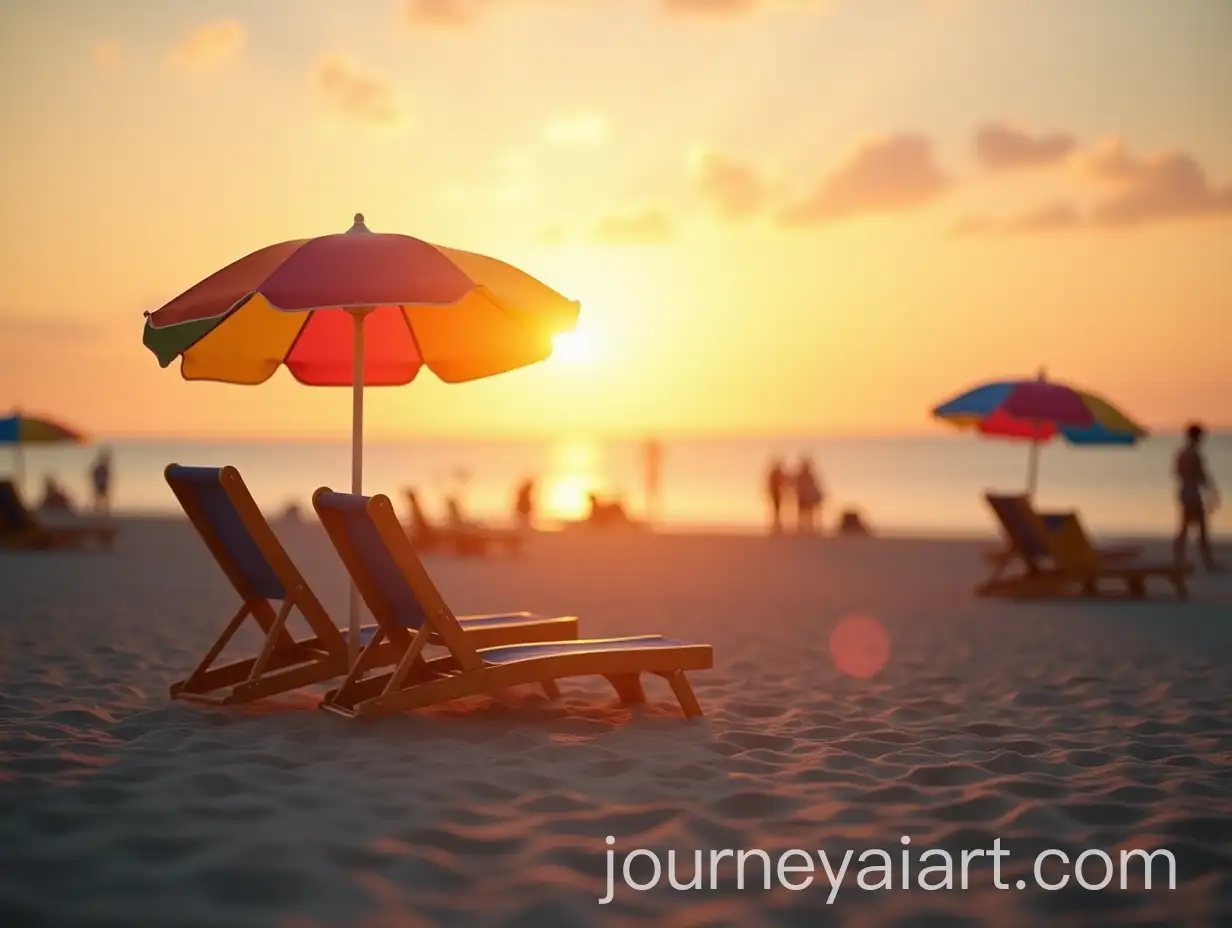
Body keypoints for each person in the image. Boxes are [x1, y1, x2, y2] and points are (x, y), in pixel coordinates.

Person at [1173, 422, 1220, 571]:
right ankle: (1207, 561)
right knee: (1201, 528)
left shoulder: (1181, 453)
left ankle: (1179, 558)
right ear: (1197, 437)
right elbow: (1201, 475)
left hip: (1184, 492)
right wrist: (1212, 490)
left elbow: (1177, 473)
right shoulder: (1194, 454)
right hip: (1193, 493)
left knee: (1184, 526)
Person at [795, 456, 824, 534]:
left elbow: (814, 486)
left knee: (807, 513)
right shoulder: (802, 475)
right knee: (803, 513)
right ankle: (802, 528)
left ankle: (807, 527)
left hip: (807, 497)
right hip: (803, 497)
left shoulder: (807, 475)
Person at [765, 458, 788, 533]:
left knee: (777, 509)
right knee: (776, 509)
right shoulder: (776, 473)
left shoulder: (776, 473)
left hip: (776, 493)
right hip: (776, 493)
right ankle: (777, 524)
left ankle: (777, 524)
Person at [89, 448, 113, 516]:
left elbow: (105, 478)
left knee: (102, 498)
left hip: (101, 484)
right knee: (101, 498)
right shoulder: (101, 469)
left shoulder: (103, 469)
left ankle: (102, 510)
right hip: (100, 485)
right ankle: (99, 510)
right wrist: (98, 483)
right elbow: (96, 476)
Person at [643, 438, 662, 521]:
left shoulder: (653, 456)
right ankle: (652, 513)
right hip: (651, 477)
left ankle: (655, 514)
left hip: (653, 477)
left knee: (654, 493)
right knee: (652, 494)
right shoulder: (652, 456)